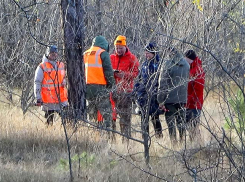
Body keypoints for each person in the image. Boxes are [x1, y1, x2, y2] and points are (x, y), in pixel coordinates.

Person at [157, 47, 190, 143]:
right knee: (181, 121)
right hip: (182, 99)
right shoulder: (186, 64)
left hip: (169, 99)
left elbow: (162, 84)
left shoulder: (167, 64)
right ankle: (183, 142)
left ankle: (174, 143)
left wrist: (160, 100)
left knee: (171, 123)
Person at [110, 35, 140, 138]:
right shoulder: (111, 58)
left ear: (125, 47)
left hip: (126, 92)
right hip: (113, 92)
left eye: (120, 48)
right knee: (111, 117)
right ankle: (112, 139)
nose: (118, 50)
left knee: (125, 119)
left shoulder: (132, 58)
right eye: (116, 48)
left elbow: (136, 73)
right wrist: (112, 73)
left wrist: (125, 75)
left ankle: (126, 140)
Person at [84, 36, 115, 129]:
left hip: (87, 89)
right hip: (100, 88)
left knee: (91, 114)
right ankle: (108, 134)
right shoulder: (103, 53)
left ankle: (92, 135)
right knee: (107, 114)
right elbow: (108, 72)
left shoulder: (85, 53)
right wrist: (110, 85)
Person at [134, 43, 163, 138]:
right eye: (145, 53)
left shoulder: (159, 64)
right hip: (143, 96)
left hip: (154, 96)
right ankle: (145, 138)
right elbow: (139, 79)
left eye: (148, 53)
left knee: (155, 117)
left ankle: (159, 136)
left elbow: (162, 80)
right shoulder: (144, 65)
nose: (146, 55)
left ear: (153, 53)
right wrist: (136, 90)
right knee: (143, 118)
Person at [34, 45, 68, 126]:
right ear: (47, 54)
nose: (54, 54)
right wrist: (38, 98)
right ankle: (49, 136)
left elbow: (65, 77)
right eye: (52, 53)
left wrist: (65, 81)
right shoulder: (42, 67)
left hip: (61, 99)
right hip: (48, 100)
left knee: (67, 121)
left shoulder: (61, 65)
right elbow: (37, 82)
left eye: (55, 53)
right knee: (49, 122)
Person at [184, 50, 205, 141]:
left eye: (185, 58)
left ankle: (198, 146)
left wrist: (189, 100)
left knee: (193, 128)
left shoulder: (198, 70)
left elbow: (198, 90)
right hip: (188, 104)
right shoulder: (189, 69)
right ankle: (194, 145)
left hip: (195, 105)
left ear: (189, 58)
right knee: (189, 128)